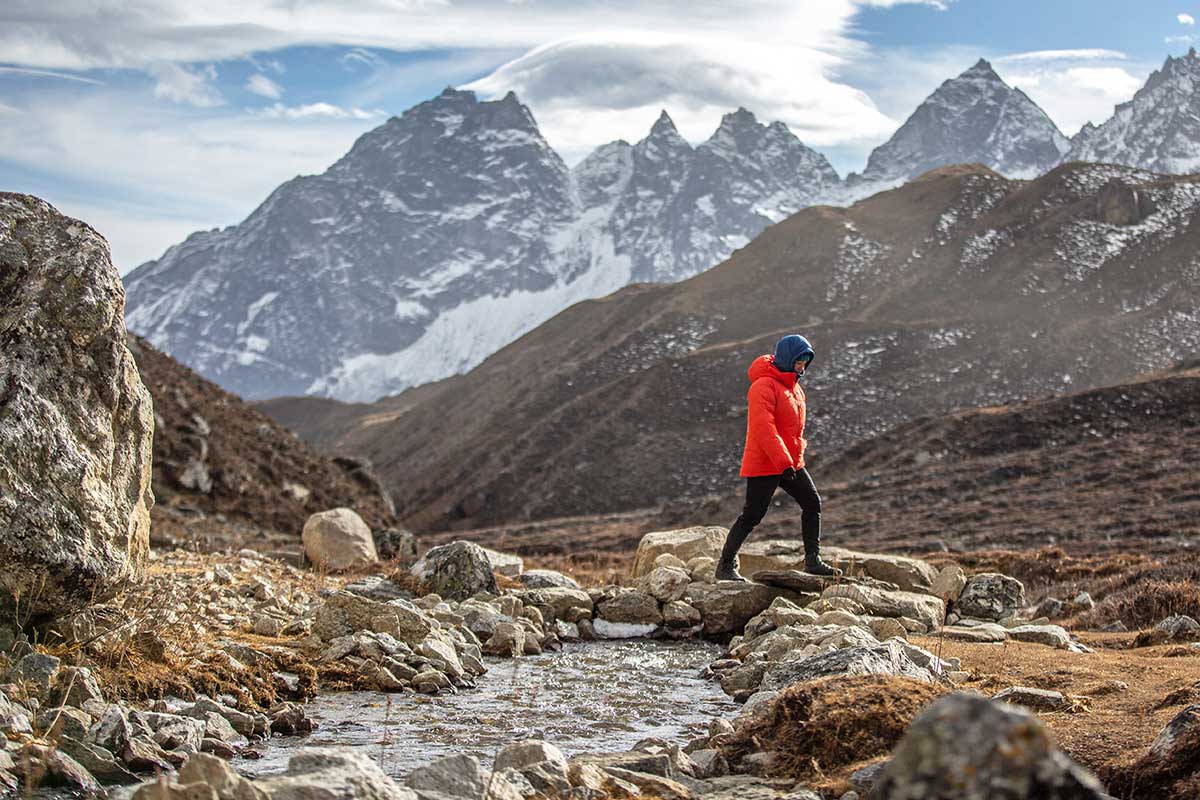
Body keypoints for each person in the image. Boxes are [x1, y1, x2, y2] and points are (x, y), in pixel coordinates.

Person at [716, 334, 842, 582]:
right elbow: (764, 429)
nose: (802, 365)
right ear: (787, 358)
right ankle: (725, 566)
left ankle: (812, 561)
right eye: (799, 360)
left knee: (812, 503)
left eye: (806, 361)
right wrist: (783, 462)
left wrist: (793, 458)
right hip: (766, 463)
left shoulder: (795, 388)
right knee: (752, 516)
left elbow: (793, 430)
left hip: (790, 463)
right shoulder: (762, 386)